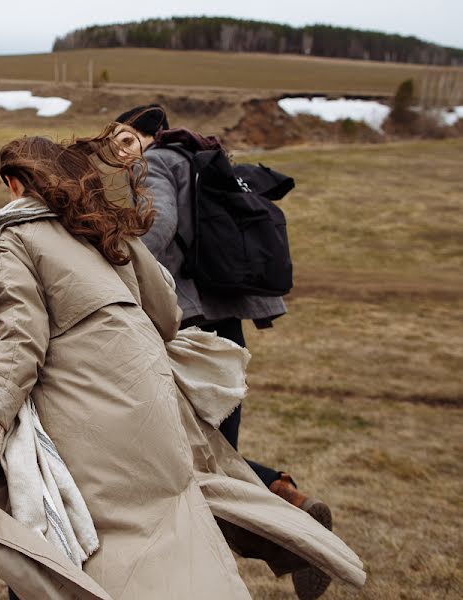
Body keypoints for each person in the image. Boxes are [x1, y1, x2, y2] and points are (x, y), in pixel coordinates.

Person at [0, 136, 365, 599]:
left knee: (63, 545)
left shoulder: (13, 235)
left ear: (14, 183)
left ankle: (293, 538)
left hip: (88, 416)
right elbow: (167, 315)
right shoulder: (104, 225)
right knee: (180, 518)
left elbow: (21, 342)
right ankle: (297, 540)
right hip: (154, 402)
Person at [112, 104, 333, 598]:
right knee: (212, 457)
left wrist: (111, 244)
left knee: (186, 462)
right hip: (225, 325)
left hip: (188, 332)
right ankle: (286, 501)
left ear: (147, 136)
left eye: (124, 138)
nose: (118, 150)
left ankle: (288, 524)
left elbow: (158, 227)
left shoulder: (153, 164)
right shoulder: (199, 160)